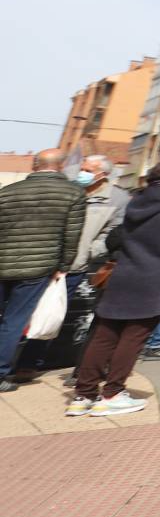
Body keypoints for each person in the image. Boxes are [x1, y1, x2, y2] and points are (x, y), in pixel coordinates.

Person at [71, 160, 160, 417]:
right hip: (157, 280)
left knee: (104, 336)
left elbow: (119, 236)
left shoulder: (136, 201)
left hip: (123, 275)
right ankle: (112, 393)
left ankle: (83, 395)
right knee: (133, 338)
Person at [15, 157, 126, 377]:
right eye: (82, 168)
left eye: (87, 170)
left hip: (73, 267)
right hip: (40, 259)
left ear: (102, 174)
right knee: (19, 312)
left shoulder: (117, 198)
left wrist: (86, 252)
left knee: (50, 313)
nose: (81, 173)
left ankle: (28, 363)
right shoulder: (67, 187)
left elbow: (111, 234)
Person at [0, 149, 85, 393]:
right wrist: (64, 267)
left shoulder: (8, 191)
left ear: (34, 165)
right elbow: (72, 235)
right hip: (37, 267)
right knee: (13, 321)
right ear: (61, 166)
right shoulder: (73, 193)